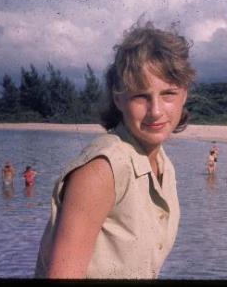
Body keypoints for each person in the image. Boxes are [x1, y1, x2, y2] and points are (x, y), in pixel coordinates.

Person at [35, 21, 196, 279]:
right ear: (118, 98)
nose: (155, 111)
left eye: (168, 94)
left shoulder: (165, 166)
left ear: (184, 95)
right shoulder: (101, 171)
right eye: (140, 96)